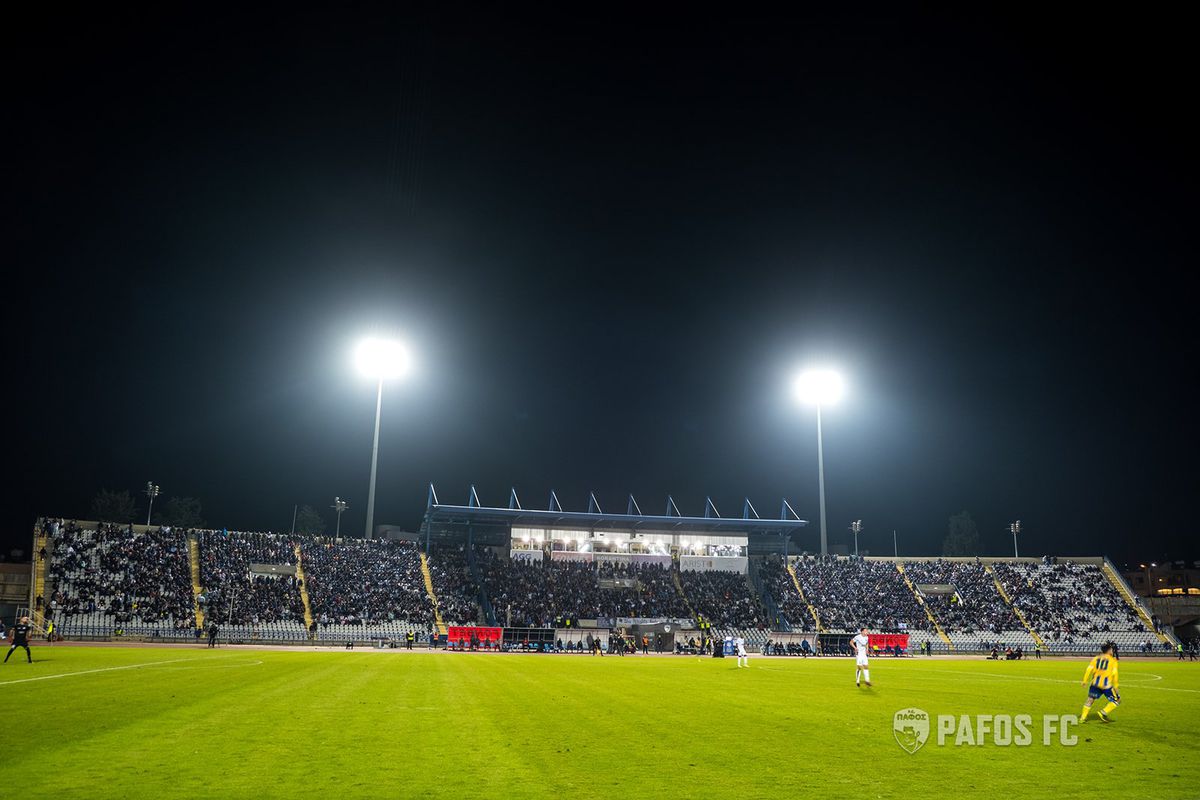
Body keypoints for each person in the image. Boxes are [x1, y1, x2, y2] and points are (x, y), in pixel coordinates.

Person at [1081, 641, 1120, 723]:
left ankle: (1083, 718)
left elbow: (1089, 669)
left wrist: (1084, 681)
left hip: (1095, 683)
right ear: (1109, 650)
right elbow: (1115, 675)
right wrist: (1116, 687)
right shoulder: (1113, 661)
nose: (1112, 651)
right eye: (1111, 650)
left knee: (1090, 700)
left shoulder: (1096, 658)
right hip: (1106, 685)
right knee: (1117, 700)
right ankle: (1103, 713)